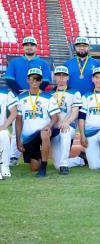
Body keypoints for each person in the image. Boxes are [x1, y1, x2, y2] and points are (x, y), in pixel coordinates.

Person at [4, 36, 52, 167]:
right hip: (19, 97)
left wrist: (34, 90)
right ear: (23, 47)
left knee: (37, 122)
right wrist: (22, 92)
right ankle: (14, 155)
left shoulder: (43, 63)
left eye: (32, 44)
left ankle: (40, 151)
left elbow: (46, 80)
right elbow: (9, 79)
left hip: (38, 97)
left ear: (36, 47)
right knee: (16, 126)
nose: (29, 46)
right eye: (26, 44)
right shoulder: (15, 62)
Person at [15, 68, 60, 177]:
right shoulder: (20, 98)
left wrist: (49, 126)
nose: (34, 81)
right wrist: (18, 140)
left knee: (44, 133)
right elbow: (19, 120)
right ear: (27, 80)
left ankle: (43, 168)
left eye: (37, 79)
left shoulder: (48, 97)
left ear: (41, 81)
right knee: (34, 167)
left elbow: (55, 117)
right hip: (28, 136)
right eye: (32, 79)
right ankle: (40, 157)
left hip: (43, 130)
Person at [49, 66, 85, 175]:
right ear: (54, 77)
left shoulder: (75, 92)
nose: (61, 78)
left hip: (69, 126)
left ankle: (64, 165)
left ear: (67, 77)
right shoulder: (49, 94)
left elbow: (75, 112)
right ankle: (80, 160)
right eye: (58, 75)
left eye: (63, 75)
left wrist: (66, 122)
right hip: (54, 128)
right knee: (56, 165)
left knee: (65, 131)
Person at [0, 88, 18, 178]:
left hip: (0, 129)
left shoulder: (6, 93)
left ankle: (5, 167)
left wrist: (4, 125)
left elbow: (14, 112)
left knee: (4, 133)